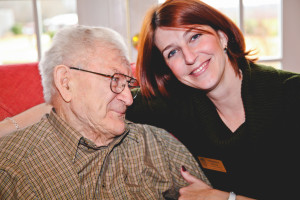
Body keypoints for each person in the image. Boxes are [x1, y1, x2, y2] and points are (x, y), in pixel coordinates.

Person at [1, 0, 300, 199]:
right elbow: (75, 106)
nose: (190, 57)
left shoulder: (291, 95)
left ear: (222, 36)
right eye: (172, 52)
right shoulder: (176, 103)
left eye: (195, 36)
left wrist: (226, 198)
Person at [0, 25, 211, 199]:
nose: (128, 99)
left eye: (128, 83)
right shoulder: (12, 168)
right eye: (115, 80)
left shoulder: (156, 144)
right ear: (66, 83)